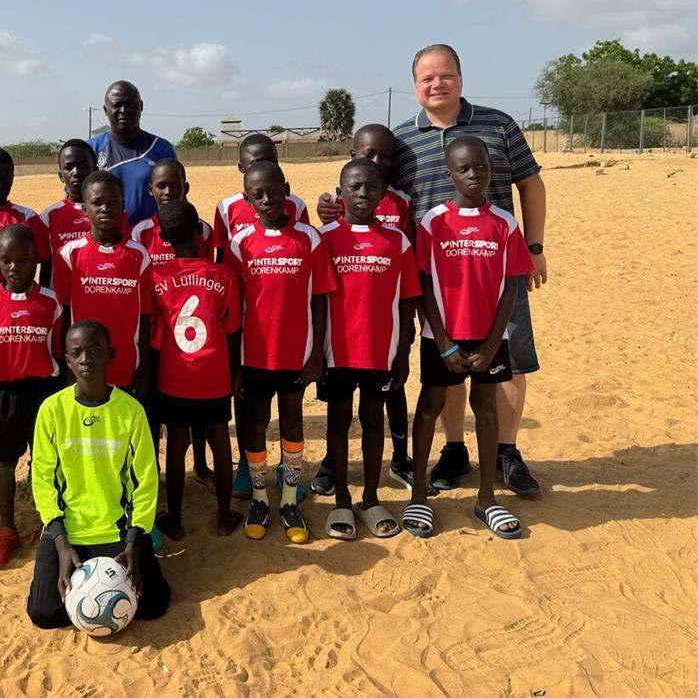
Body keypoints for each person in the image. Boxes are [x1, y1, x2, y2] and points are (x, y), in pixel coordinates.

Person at [317, 45, 547, 497]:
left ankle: (506, 450)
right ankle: (456, 448)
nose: (436, 84)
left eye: (445, 75)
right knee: (447, 357)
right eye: (426, 78)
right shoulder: (401, 139)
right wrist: (333, 207)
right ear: (415, 86)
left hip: (496, 263)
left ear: (460, 78)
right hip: (435, 271)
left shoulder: (498, 124)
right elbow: (374, 190)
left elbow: (531, 184)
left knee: (508, 356)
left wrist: (534, 246)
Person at [401, 136, 533, 540]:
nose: (474, 174)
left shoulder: (505, 224)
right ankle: (419, 495)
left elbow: (512, 286)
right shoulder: (432, 222)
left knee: (487, 409)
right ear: (449, 174)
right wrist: (442, 341)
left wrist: (493, 343)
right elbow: (422, 283)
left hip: (489, 337)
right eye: (464, 168)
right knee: (429, 407)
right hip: (441, 337)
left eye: (481, 167)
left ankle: (487, 499)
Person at [26, 321, 169, 630]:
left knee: (155, 603)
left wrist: (134, 541)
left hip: (118, 533)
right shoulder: (52, 410)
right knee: (44, 614)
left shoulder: (131, 411)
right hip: (67, 533)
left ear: (111, 354)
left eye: (94, 350)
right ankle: (50, 566)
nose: (86, 359)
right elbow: (42, 479)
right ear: (67, 360)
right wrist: (61, 542)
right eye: (76, 352)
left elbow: (145, 479)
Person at [227, 161, 335, 543]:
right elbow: (233, 309)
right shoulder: (239, 244)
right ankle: (259, 499)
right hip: (254, 356)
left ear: (286, 188)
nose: (268, 199)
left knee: (292, 422)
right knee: (255, 427)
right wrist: (235, 364)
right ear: (247, 199)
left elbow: (321, 298)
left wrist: (317, 354)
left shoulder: (310, 238)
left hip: (296, 354)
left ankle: (289, 500)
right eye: (258, 194)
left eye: (275, 190)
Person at [309, 124, 415, 495]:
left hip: (382, 342)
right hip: (337, 348)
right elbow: (317, 296)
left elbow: (406, 290)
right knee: (337, 419)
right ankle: (335, 479)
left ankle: (392, 469)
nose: (376, 162)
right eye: (369, 154)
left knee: (380, 410)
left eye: (385, 157)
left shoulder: (399, 218)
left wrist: (404, 346)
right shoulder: (327, 228)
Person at [213, 132, 310, 501]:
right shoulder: (226, 208)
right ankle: (246, 465)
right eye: (254, 163)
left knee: (290, 408)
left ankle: (289, 469)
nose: (262, 167)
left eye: (270, 159)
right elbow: (225, 266)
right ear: (242, 170)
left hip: (285, 329)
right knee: (249, 404)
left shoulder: (296, 206)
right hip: (249, 327)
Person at [0, 224, 62, 567]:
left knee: (46, 461)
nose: (14, 267)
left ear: (36, 259)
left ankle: (53, 524)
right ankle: (7, 529)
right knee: (4, 463)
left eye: (23, 259)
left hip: (42, 393)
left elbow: (59, 353)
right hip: (1, 394)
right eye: (6, 260)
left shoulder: (51, 302)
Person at [149, 200, 243, 540]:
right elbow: (232, 330)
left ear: (162, 236)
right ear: (200, 232)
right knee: (219, 440)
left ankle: (174, 520)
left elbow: (154, 335)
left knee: (177, 444)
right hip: (215, 375)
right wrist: (233, 372)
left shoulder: (156, 277)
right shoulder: (222, 275)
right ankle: (223, 516)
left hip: (175, 377)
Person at [130, 158, 216, 485]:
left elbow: (208, 277)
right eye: (162, 186)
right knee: (155, 410)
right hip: (156, 336)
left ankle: (202, 466)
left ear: (186, 187)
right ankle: (153, 474)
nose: (168, 191)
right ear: (150, 190)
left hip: (193, 337)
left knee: (195, 412)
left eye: (175, 185)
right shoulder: (140, 233)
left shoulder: (202, 230)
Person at [51, 171, 151, 394]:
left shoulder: (139, 255)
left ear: (123, 205)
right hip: (83, 369)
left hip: (126, 366)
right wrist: (67, 367)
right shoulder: (68, 255)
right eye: (97, 203)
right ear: (85, 208)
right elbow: (64, 316)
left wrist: (144, 368)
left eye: (113, 201)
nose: (105, 208)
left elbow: (145, 317)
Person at [89, 80, 177, 225]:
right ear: (106, 110)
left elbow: (177, 198)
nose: (124, 110)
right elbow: (76, 200)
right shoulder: (91, 150)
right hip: (108, 243)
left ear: (141, 106)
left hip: (151, 241)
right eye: (117, 105)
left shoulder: (161, 148)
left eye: (130, 104)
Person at [38, 138, 98, 290]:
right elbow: (46, 265)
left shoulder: (110, 213)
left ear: (95, 169)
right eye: (68, 167)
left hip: (98, 297)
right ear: (60, 175)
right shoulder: (48, 217)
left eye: (83, 166)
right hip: (60, 302)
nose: (76, 172)